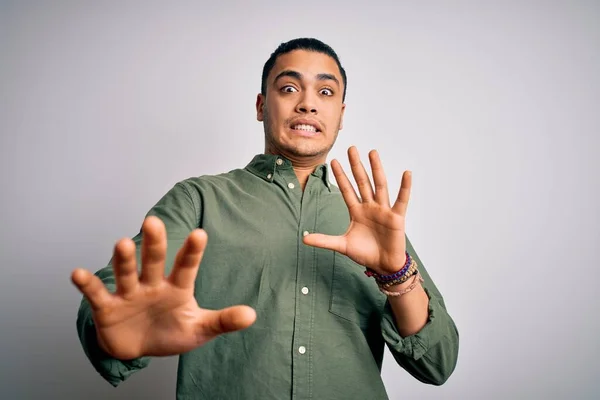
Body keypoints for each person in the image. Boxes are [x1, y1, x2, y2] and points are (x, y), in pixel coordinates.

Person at [71, 37, 459, 399]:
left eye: (325, 92)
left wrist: (396, 272)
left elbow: (437, 363)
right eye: (289, 88)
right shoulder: (199, 199)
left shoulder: (374, 223)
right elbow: (117, 295)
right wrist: (116, 325)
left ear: (340, 115)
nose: (307, 104)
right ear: (260, 106)